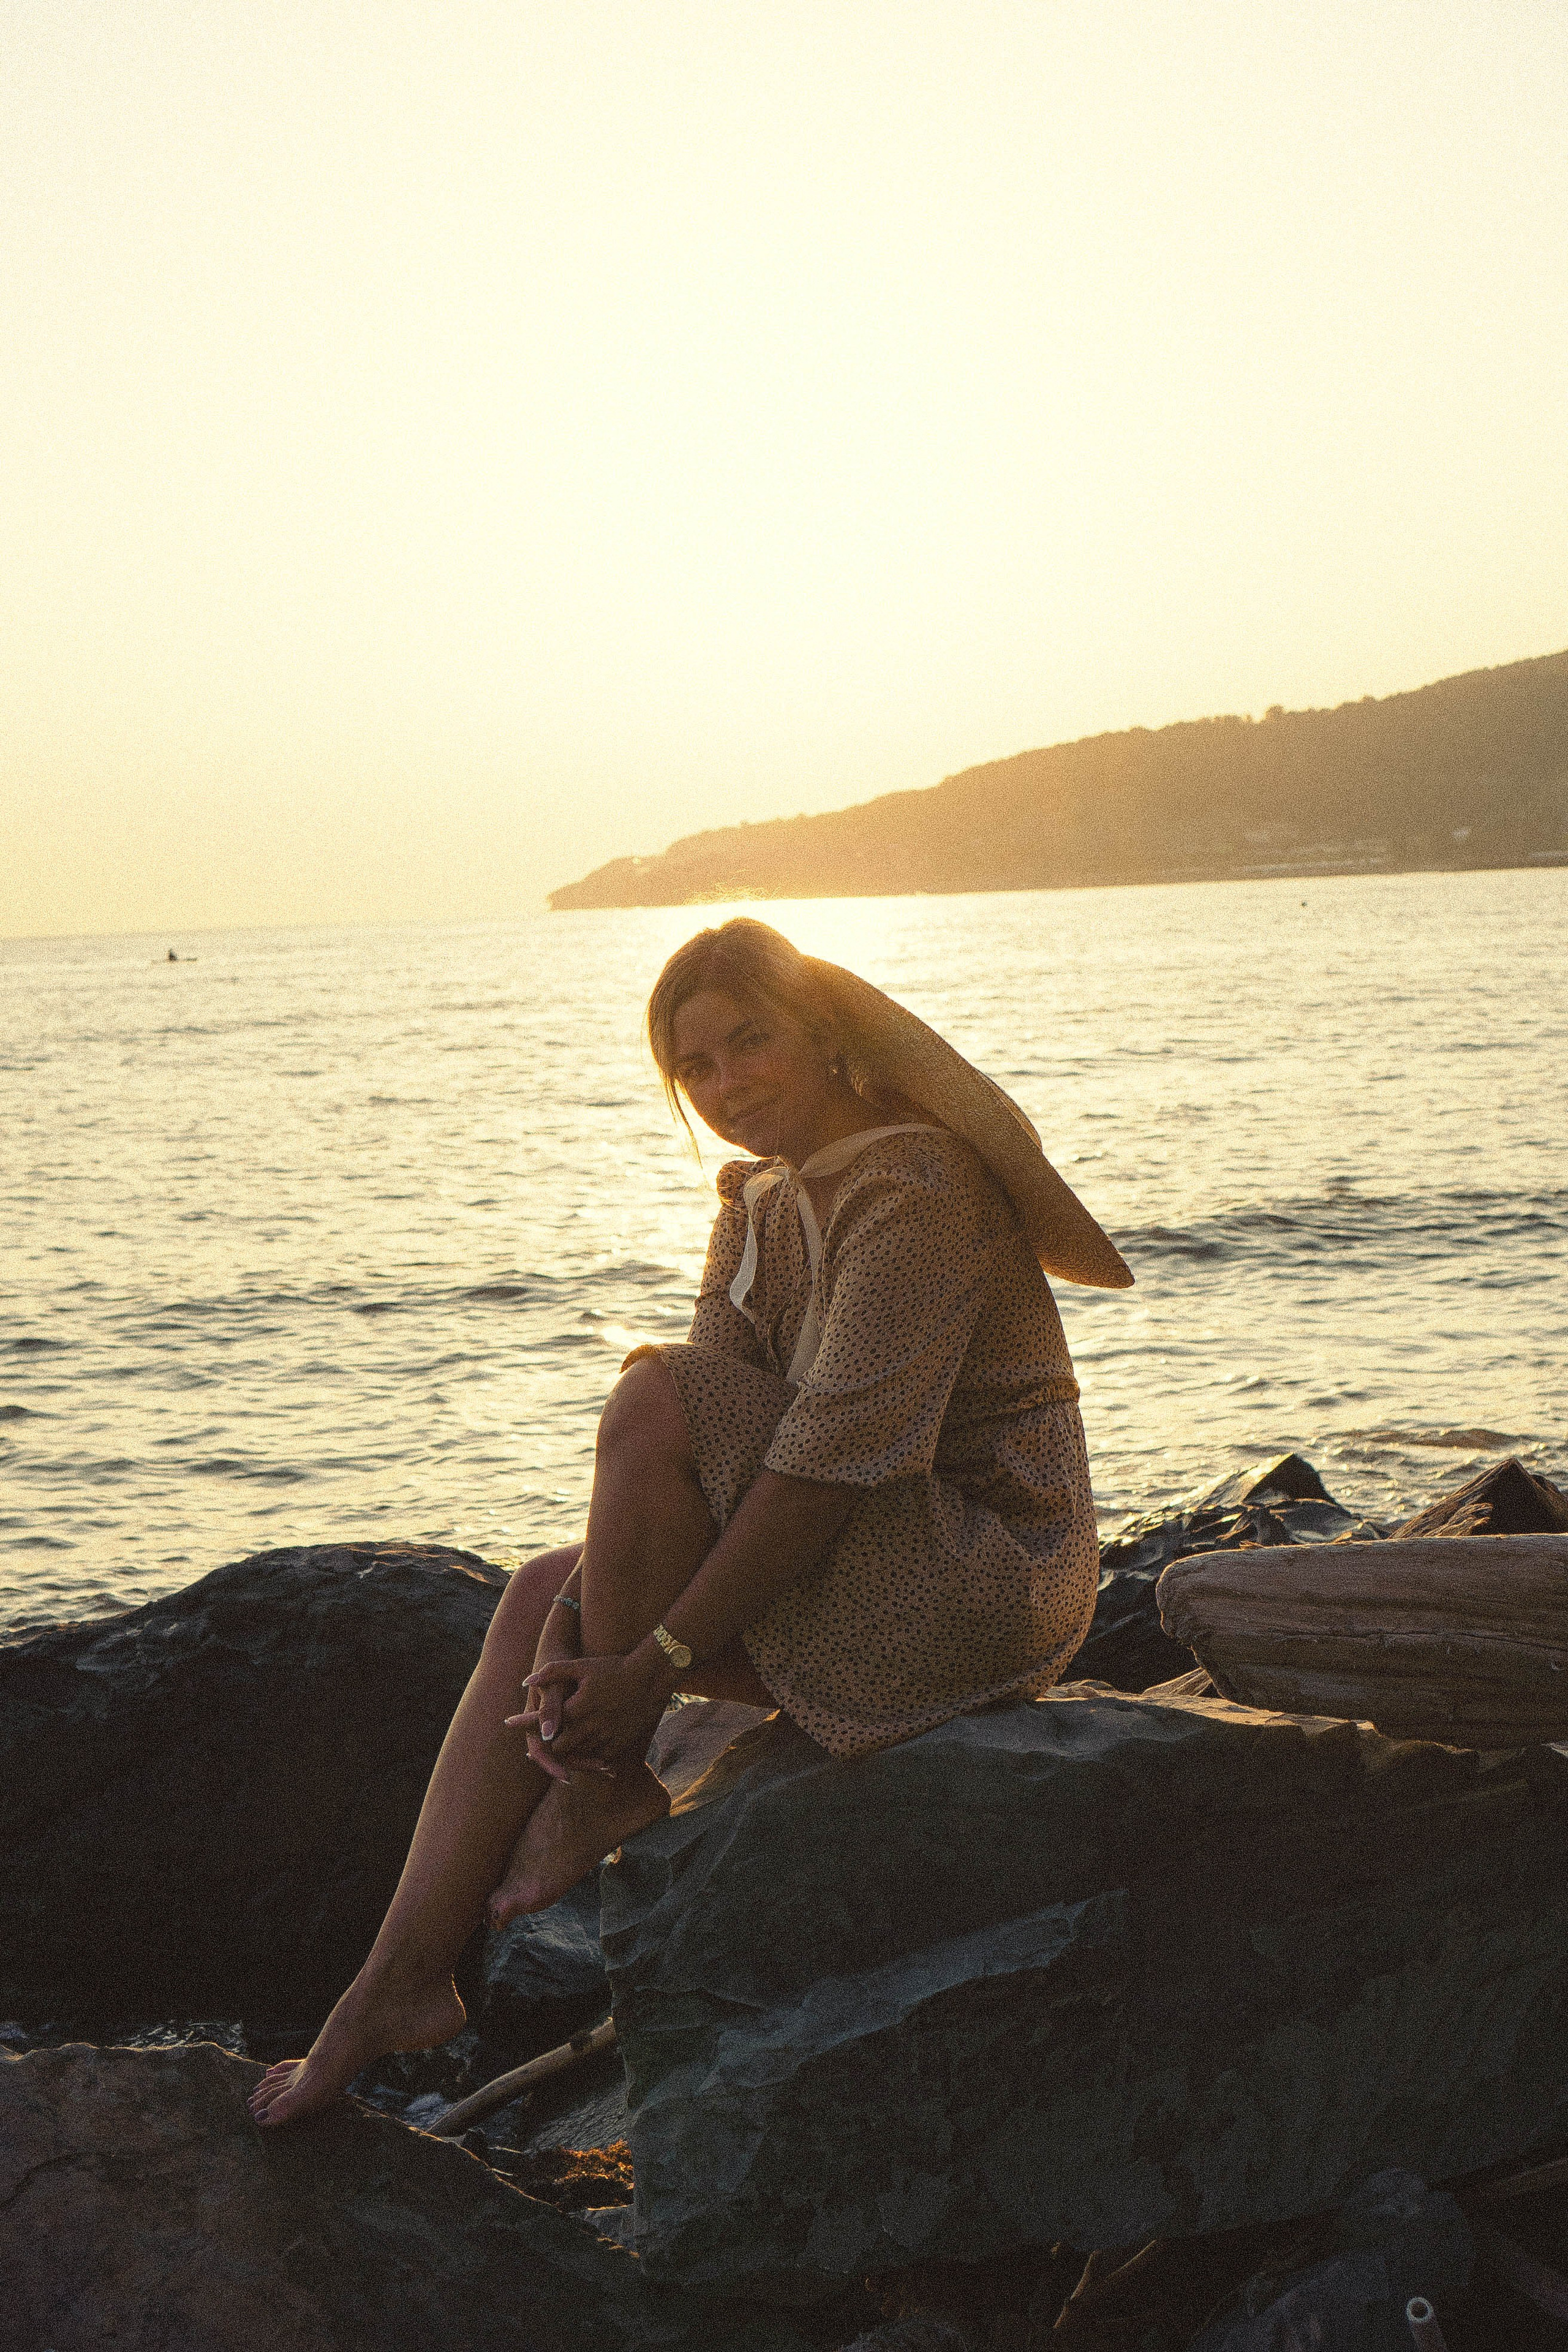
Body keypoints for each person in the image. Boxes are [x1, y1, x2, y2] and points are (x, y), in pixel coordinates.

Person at [250, 918, 1130, 2128]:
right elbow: (711, 1463)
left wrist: (647, 1668)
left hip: (983, 1575)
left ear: (823, 1033)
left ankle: (603, 1780)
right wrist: (591, 1636)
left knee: (648, 1391)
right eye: (695, 1070)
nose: (726, 1086)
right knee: (534, 1594)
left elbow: (823, 1467)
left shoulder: (914, 1181)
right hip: (881, 1559)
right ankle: (393, 1988)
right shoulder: (755, 1205)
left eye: (748, 1043)